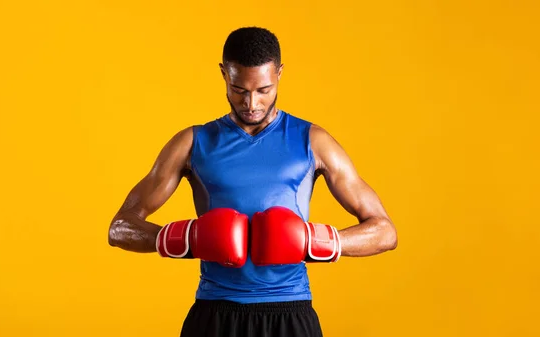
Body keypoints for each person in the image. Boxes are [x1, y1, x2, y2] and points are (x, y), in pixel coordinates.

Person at [108, 26, 398, 337]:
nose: (251, 103)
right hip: (215, 313)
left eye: (263, 90)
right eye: (239, 90)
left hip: (290, 311)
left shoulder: (313, 141)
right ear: (224, 74)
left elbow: (384, 231)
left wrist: (316, 243)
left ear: (280, 74)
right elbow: (120, 228)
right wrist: (184, 239)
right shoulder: (193, 143)